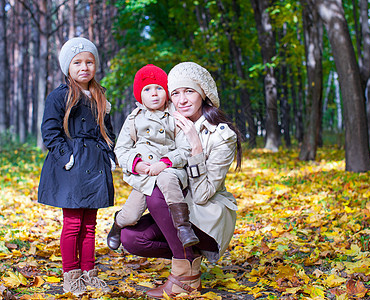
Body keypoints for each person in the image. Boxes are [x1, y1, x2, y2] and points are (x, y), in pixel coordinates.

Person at [120, 61, 243, 298]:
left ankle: (184, 275)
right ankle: (190, 257)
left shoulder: (222, 136)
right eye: (175, 93)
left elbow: (203, 194)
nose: (182, 99)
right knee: (131, 238)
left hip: (205, 217)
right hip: (175, 212)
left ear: (203, 94)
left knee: (159, 187)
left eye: (189, 91)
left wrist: (196, 146)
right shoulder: (164, 122)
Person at [37, 37, 115, 296]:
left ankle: (88, 272)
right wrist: (65, 155)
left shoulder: (99, 96)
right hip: (70, 166)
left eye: (89, 62)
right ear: (68, 67)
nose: (84, 67)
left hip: (94, 164)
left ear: (95, 65)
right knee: (73, 224)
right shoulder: (60, 95)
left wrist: (110, 154)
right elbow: (49, 130)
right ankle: (71, 275)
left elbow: (107, 131)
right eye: (78, 62)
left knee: (90, 224)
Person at [107, 64, 198, 251]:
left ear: (166, 92)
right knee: (131, 216)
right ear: (139, 95)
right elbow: (121, 149)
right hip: (145, 175)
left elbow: (185, 148)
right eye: (147, 89)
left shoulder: (175, 116)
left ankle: (183, 227)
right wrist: (136, 164)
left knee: (168, 179)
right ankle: (118, 223)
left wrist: (165, 163)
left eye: (159, 88)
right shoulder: (134, 119)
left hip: (169, 169)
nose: (154, 94)